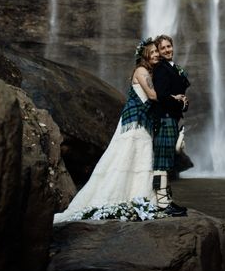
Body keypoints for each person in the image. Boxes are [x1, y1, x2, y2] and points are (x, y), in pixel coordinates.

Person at [53, 38, 160, 223]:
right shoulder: (141, 71)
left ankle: (137, 196)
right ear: (145, 55)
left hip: (140, 120)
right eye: (153, 51)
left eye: (157, 51)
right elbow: (152, 95)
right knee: (129, 154)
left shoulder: (147, 72)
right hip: (134, 121)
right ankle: (133, 197)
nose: (157, 54)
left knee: (137, 155)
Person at [152, 34, 190, 217]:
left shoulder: (174, 68)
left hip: (172, 118)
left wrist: (183, 102)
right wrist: (178, 102)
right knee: (161, 161)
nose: (167, 50)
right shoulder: (160, 69)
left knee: (167, 161)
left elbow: (178, 95)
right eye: (163, 48)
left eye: (169, 46)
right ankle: (162, 203)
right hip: (165, 118)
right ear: (158, 52)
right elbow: (162, 96)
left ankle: (166, 199)